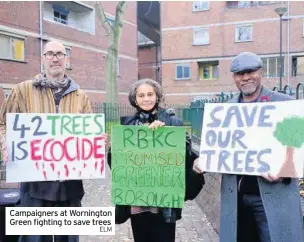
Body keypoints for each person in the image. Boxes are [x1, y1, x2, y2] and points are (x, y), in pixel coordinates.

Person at [193, 52, 304, 242]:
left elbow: (298, 146)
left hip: (273, 197)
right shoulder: (225, 109)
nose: (245, 78)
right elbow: (218, 147)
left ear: (260, 72)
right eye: (239, 74)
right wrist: (203, 160)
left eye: (250, 71)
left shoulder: (284, 103)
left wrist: (285, 171)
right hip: (236, 199)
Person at [0, 40, 92, 242]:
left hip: (70, 184)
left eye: (59, 54)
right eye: (50, 54)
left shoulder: (81, 96)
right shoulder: (22, 90)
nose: (55, 58)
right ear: (43, 59)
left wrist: (96, 142)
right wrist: (5, 142)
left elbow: (89, 135)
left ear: (66, 59)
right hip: (35, 184)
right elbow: (3, 124)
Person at [107, 78, 204, 242]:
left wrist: (166, 133)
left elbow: (185, 153)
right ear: (135, 99)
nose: (146, 99)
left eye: (150, 94)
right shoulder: (127, 126)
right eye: (141, 95)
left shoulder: (172, 121)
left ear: (157, 96)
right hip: (137, 201)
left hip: (164, 204)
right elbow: (116, 164)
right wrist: (113, 148)